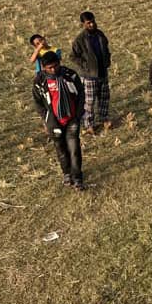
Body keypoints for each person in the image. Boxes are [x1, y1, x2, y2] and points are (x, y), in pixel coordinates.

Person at [32, 51, 87, 191]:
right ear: (44, 67)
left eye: (56, 66)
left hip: (71, 119)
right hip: (54, 122)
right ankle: (67, 173)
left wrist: (79, 113)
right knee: (61, 149)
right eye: (49, 67)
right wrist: (46, 118)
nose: (53, 69)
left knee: (74, 148)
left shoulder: (70, 75)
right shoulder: (39, 82)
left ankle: (77, 177)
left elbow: (81, 93)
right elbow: (38, 103)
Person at [70, 11, 111, 135]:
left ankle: (103, 119)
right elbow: (73, 56)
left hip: (103, 72)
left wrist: (107, 60)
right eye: (89, 23)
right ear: (83, 24)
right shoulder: (80, 39)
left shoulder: (100, 35)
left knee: (104, 98)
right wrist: (85, 66)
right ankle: (89, 125)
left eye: (93, 21)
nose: (92, 24)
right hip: (89, 76)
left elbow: (106, 48)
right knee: (89, 102)